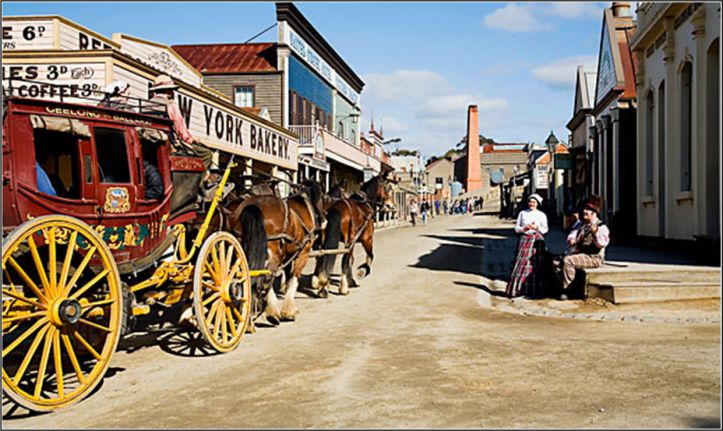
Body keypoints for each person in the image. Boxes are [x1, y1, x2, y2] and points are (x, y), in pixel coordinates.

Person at [146, 74, 213, 171]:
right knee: (206, 154)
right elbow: (180, 129)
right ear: (168, 91)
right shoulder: (171, 105)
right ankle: (198, 183)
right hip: (168, 143)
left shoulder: (145, 104)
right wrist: (191, 139)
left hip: (148, 143)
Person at [557, 195, 609, 300]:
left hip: (593, 257)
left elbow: (601, 244)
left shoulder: (601, 227)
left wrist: (595, 234)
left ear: (594, 213)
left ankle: (568, 290)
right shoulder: (582, 225)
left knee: (568, 261)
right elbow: (572, 234)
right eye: (585, 209)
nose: (584, 211)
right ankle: (569, 284)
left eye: (588, 210)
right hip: (580, 254)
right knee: (556, 262)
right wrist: (572, 239)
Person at [506, 193, 550, 298]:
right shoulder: (522, 213)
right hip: (524, 239)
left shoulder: (541, 215)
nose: (532, 204)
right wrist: (523, 229)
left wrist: (537, 228)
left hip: (536, 240)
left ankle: (537, 290)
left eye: (534, 202)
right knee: (521, 262)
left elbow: (545, 229)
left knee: (536, 263)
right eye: (530, 202)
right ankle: (518, 289)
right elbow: (516, 228)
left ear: (537, 204)